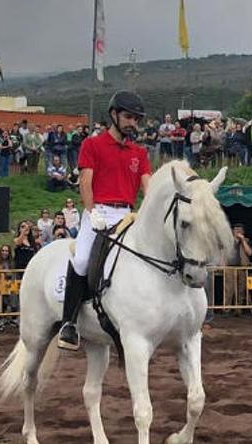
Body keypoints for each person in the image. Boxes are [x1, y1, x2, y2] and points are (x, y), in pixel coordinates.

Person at [57, 90, 152, 351]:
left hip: (127, 213)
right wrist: (92, 212)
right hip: (97, 210)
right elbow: (85, 182)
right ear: (114, 115)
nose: (133, 123)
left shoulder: (139, 153)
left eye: (137, 119)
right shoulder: (93, 144)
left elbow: (149, 188)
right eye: (129, 117)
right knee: (81, 259)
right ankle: (69, 323)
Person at [223, 223, 252, 310]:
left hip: (242, 267)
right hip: (229, 267)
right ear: (232, 231)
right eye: (236, 229)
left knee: (241, 289)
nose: (238, 231)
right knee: (229, 289)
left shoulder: (246, 240)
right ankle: (226, 309)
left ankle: (238, 309)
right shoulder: (227, 241)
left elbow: (249, 253)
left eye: (240, 230)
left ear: (243, 232)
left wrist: (242, 240)